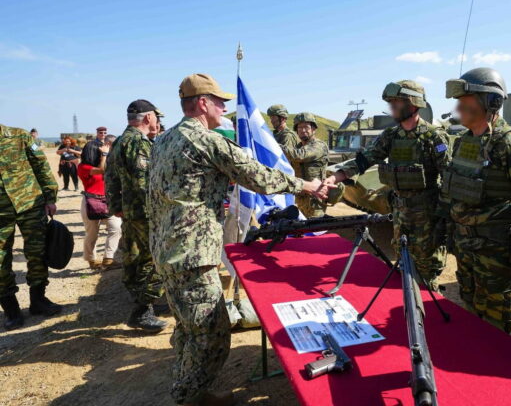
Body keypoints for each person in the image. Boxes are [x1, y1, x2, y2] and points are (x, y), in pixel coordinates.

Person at [149, 73, 329, 406]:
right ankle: (190, 396)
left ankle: (187, 387)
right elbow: (257, 175)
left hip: (165, 248)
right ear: (202, 103)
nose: (224, 107)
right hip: (192, 254)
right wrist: (304, 186)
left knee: (188, 327)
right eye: (219, 101)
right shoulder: (207, 140)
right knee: (212, 334)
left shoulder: (163, 140)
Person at [439, 68, 511, 335]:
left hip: (499, 254)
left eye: (465, 100)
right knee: (471, 311)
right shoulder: (463, 143)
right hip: (467, 250)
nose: (458, 107)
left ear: (492, 102)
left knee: (496, 324)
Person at [326, 80, 450, 290]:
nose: (391, 107)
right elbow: (365, 159)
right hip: (400, 213)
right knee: (403, 264)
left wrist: (447, 216)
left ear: (413, 103)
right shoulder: (390, 136)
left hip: (427, 216)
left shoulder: (433, 137)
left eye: (396, 102)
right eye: (390, 102)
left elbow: (449, 177)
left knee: (426, 269)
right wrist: (335, 177)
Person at [105, 99, 167, 333]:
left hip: (130, 212)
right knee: (152, 259)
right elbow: (145, 184)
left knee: (134, 256)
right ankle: (142, 311)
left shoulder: (120, 141)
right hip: (146, 213)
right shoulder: (139, 143)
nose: (157, 122)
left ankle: (141, 302)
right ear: (148, 117)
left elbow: (110, 177)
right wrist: (158, 211)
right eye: (156, 117)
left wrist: (116, 206)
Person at [0, 124, 60, 330]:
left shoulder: (19, 136)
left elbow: (41, 165)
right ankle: (10, 308)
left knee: (38, 252)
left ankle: (38, 300)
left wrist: (50, 196)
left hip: (30, 204)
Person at [78, 134, 122, 270]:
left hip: (106, 200)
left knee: (116, 228)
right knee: (92, 233)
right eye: (100, 151)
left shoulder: (105, 163)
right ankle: (91, 260)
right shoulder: (83, 167)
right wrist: (104, 154)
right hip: (90, 202)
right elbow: (102, 170)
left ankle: (109, 258)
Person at [284, 112, 330, 217]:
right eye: (299, 127)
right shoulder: (298, 147)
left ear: (314, 129)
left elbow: (300, 155)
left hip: (315, 199)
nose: (303, 130)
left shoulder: (319, 146)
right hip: (300, 197)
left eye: (306, 127)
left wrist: (275, 146)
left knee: (314, 230)